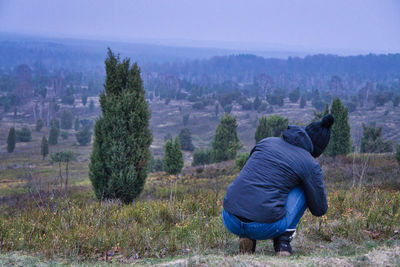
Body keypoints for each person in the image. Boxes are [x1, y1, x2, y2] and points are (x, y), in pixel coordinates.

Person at [222, 114, 334, 255]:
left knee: (259, 181)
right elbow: (319, 209)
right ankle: (283, 243)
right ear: (318, 149)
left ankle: (246, 237)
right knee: (305, 188)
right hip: (264, 227)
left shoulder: (266, 142)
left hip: (230, 218)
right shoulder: (309, 164)